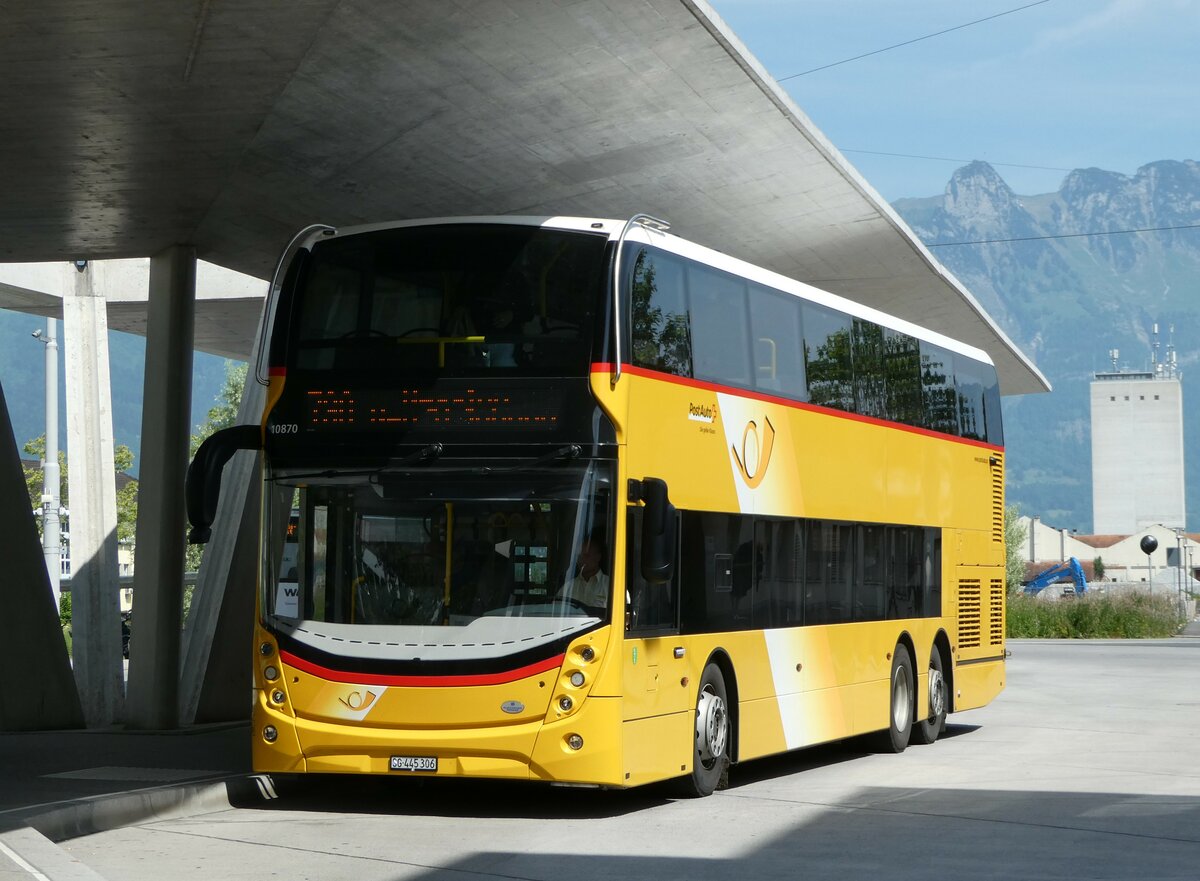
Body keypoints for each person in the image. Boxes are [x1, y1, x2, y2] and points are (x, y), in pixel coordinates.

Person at [557, 535, 610, 610]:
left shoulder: (612, 586)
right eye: (579, 556)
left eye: (586, 556)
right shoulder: (567, 588)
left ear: (598, 557)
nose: (581, 560)